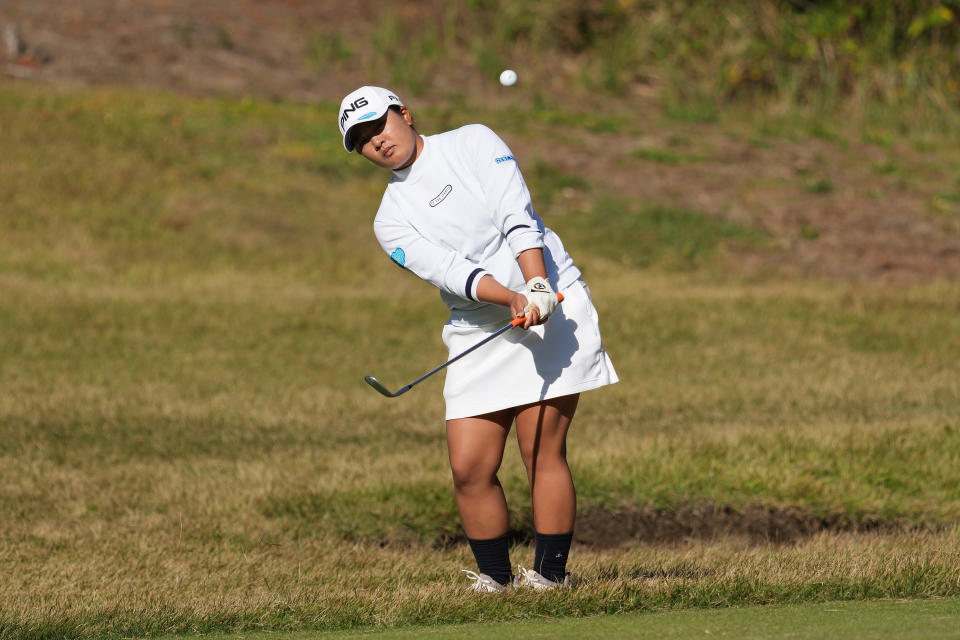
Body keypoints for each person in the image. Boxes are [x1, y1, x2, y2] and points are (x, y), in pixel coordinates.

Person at [338, 86, 618, 592]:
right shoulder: (390, 219)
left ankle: (551, 578)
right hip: (480, 323)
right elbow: (451, 270)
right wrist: (510, 298)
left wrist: (534, 286)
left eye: (378, 125)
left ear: (404, 114)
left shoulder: (472, 142)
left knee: (541, 453)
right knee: (470, 467)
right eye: (361, 140)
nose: (376, 142)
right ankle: (496, 581)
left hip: (551, 302)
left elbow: (518, 215)